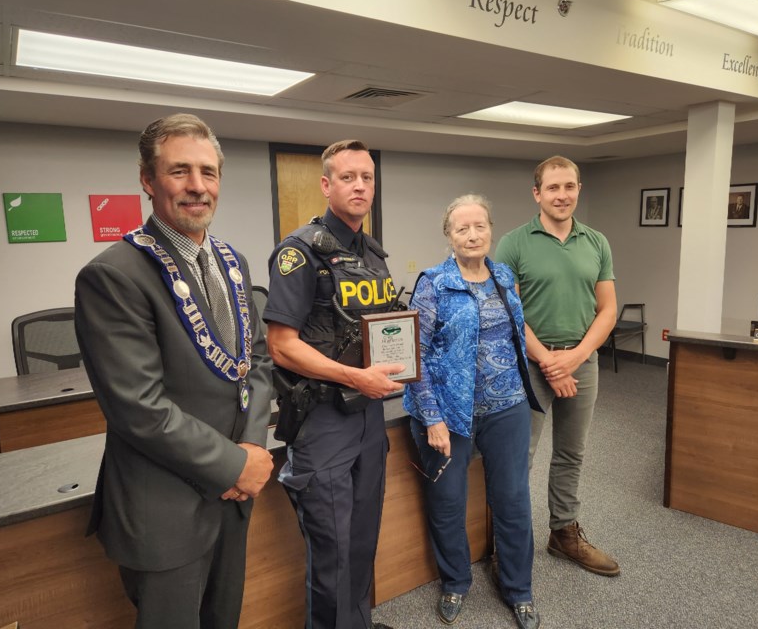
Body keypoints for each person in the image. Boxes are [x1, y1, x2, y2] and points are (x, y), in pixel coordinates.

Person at [74, 113, 275, 629]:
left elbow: (256, 362)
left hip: (232, 498)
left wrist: (250, 452)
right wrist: (235, 465)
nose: (197, 187)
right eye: (179, 171)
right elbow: (138, 408)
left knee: (223, 620)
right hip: (164, 508)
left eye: (208, 173)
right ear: (147, 179)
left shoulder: (234, 262)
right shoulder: (114, 275)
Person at [263, 139, 402, 629]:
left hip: (366, 414)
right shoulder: (299, 252)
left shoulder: (372, 253)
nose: (360, 185)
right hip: (322, 419)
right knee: (333, 549)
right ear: (327, 185)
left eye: (366, 177)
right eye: (348, 177)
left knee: (363, 537)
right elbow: (281, 345)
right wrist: (352, 376)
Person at [404, 194, 542, 629]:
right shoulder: (432, 283)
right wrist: (432, 417)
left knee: (514, 501)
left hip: (508, 408)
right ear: (449, 235)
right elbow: (415, 358)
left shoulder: (503, 277)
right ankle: (455, 582)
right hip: (449, 413)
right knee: (447, 502)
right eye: (462, 228)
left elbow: (517, 337)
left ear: (490, 230)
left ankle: (519, 590)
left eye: (479, 226)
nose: (472, 234)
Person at [495, 155, 621, 579]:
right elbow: (510, 313)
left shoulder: (596, 242)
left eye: (569, 186)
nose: (562, 195)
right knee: (519, 457)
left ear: (578, 189)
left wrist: (576, 357)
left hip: (582, 363)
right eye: (553, 187)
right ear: (537, 193)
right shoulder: (514, 242)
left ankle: (563, 533)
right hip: (531, 366)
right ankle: (506, 544)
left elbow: (607, 310)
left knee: (572, 453)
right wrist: (549, 360)